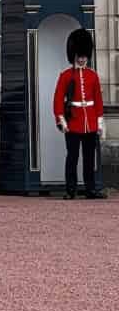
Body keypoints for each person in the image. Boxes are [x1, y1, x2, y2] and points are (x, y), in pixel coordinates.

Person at [54, 28, 105, 198]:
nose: (83, 59)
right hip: (73, 122)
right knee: (72, 157)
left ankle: (90, 189)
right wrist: (62, 120)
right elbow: (58, 100)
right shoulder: (66, 76)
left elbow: (98, 100)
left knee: (89, 158)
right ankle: (71, 189)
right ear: (74, 55)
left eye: (84, 56)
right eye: (80, 56)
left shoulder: (93, 76)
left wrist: (99, 122)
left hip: (90, 121)